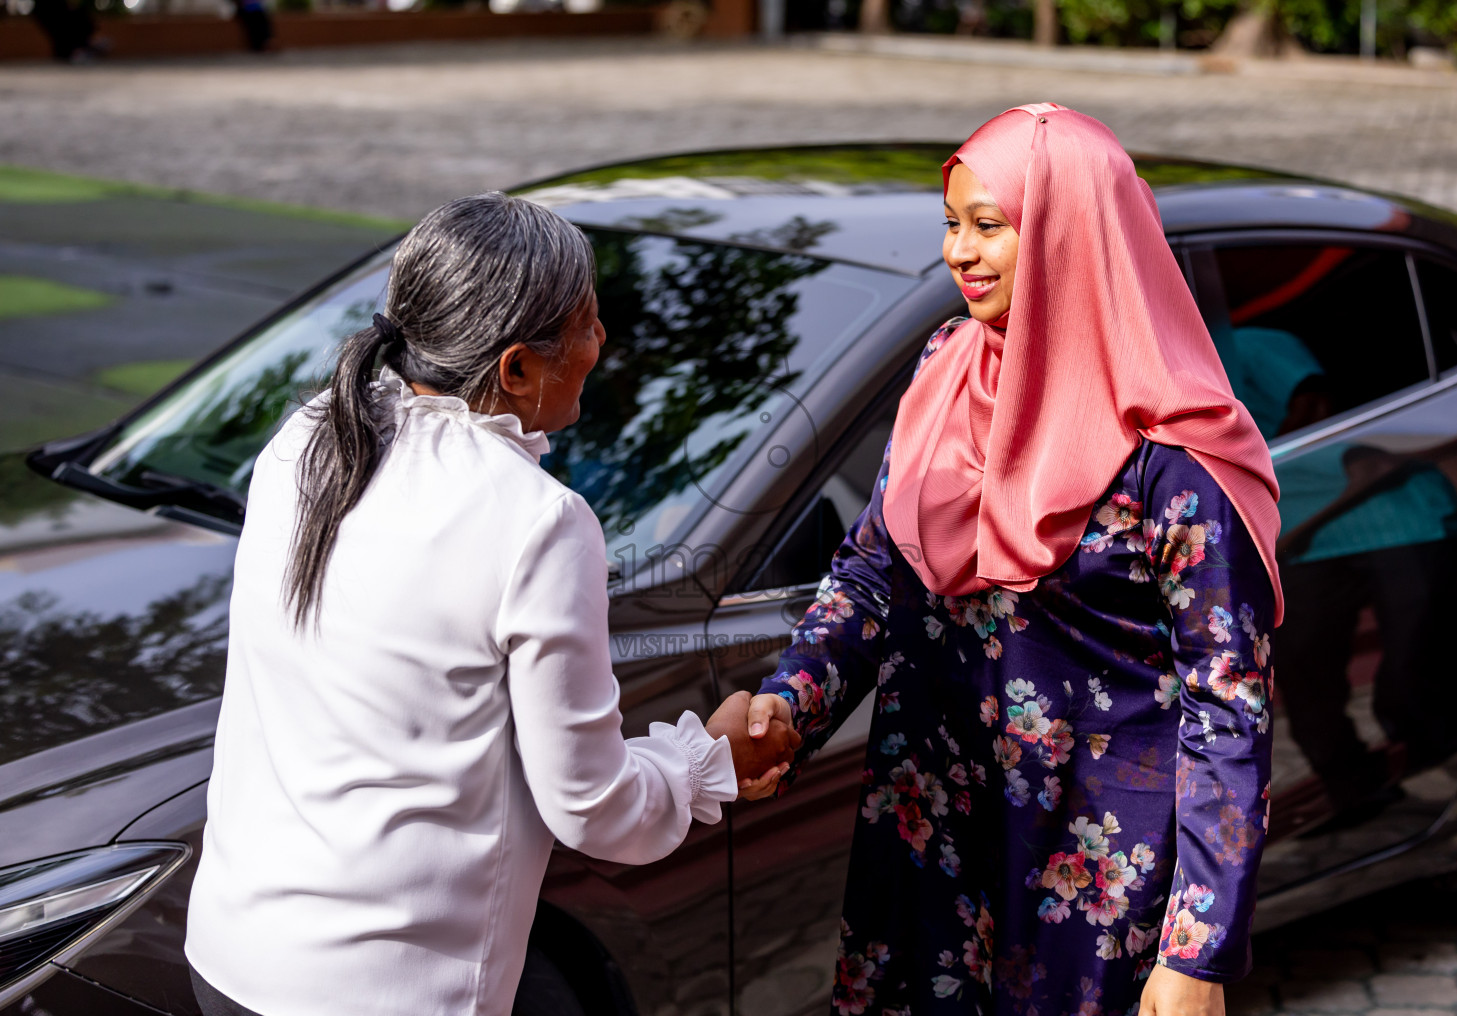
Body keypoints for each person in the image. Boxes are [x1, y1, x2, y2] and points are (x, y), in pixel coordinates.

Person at [184, 193, 797, 1016]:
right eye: (586, 323)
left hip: (229, 955)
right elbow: (593, 808)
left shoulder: (308, 436)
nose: (600, 342)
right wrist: (706, 763)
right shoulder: (536, 521)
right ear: (515, 368)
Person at [738, 105, 1284, 1016]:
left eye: (989, 226)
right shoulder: (946, 369)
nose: (960, 251)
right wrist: (793, 701)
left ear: (1072, 232)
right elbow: (877, 570)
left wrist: (1198, 950)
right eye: (951, 224)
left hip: (1094, 881)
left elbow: (1228, 708)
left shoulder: (1172, 461)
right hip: (934, 836)